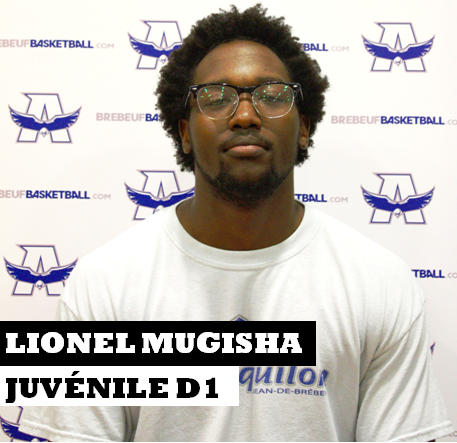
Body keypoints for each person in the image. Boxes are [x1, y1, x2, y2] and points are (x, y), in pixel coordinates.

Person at [20, 4, 453, 442]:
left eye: (272, 95)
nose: (245, 115)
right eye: (216, 97)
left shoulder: (378, 283)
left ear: (304, 128)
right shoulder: (106, 284)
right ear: (185, 133)